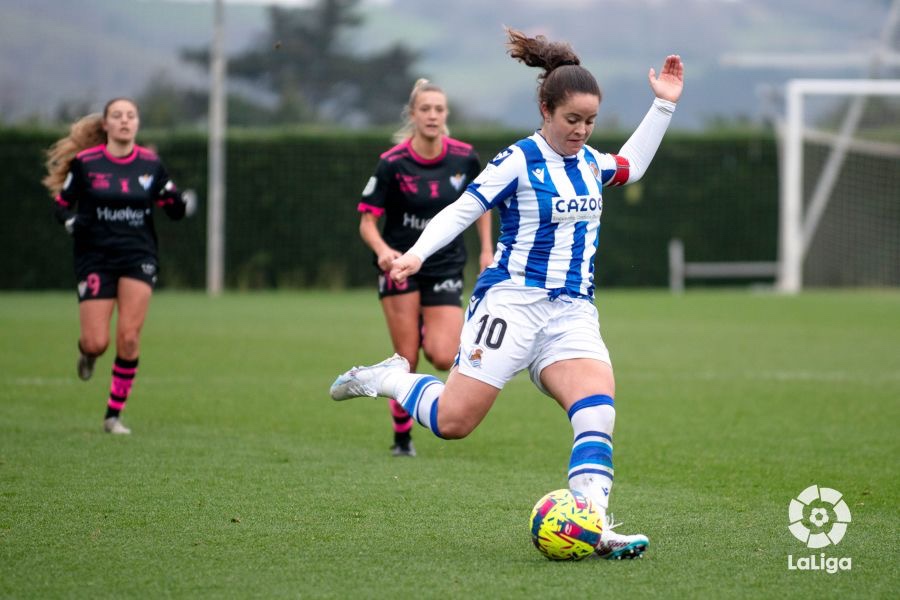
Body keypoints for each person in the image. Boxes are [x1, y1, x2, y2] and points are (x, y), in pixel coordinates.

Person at [331, 28, 683, 559]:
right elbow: (462, 210)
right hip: (511, 306)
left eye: (590, 122)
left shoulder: (591, 163)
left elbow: (631, 166)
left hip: (572, 313)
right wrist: (417, 255)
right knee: (453, 423)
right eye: (572, 119)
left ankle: (594, 524)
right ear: (545, 109)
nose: (581, 131)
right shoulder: (518, 160)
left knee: (597, 412)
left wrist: (663, 105)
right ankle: (387, 378)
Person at [357, 78, 493, 457]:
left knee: (444, 354)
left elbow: (483, 204)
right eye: (425, 109)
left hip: (445, 265)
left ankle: (422, 326)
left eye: (439, 109)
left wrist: (487, 250)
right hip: (400, 266)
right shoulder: (392, 163)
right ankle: (402, 439)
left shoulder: (464, 158)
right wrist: (383, 251)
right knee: (407, 357)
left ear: (445, 115)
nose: (433, 115)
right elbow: (367, 222)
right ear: (413, 114)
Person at [43, 97, 194, 435]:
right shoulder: (86, 163)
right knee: (96, 342)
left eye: (130, 116)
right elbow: (61, 205)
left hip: (138, 256)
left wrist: (179, 203)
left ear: (137, 123)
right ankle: (87, 354)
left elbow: (173, 207)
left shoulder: (150, 164)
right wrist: (70, 222)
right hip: (95, 257)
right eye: (117, 115)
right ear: (106, 124)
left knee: (129, 338)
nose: (124, 121)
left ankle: (113, 416)